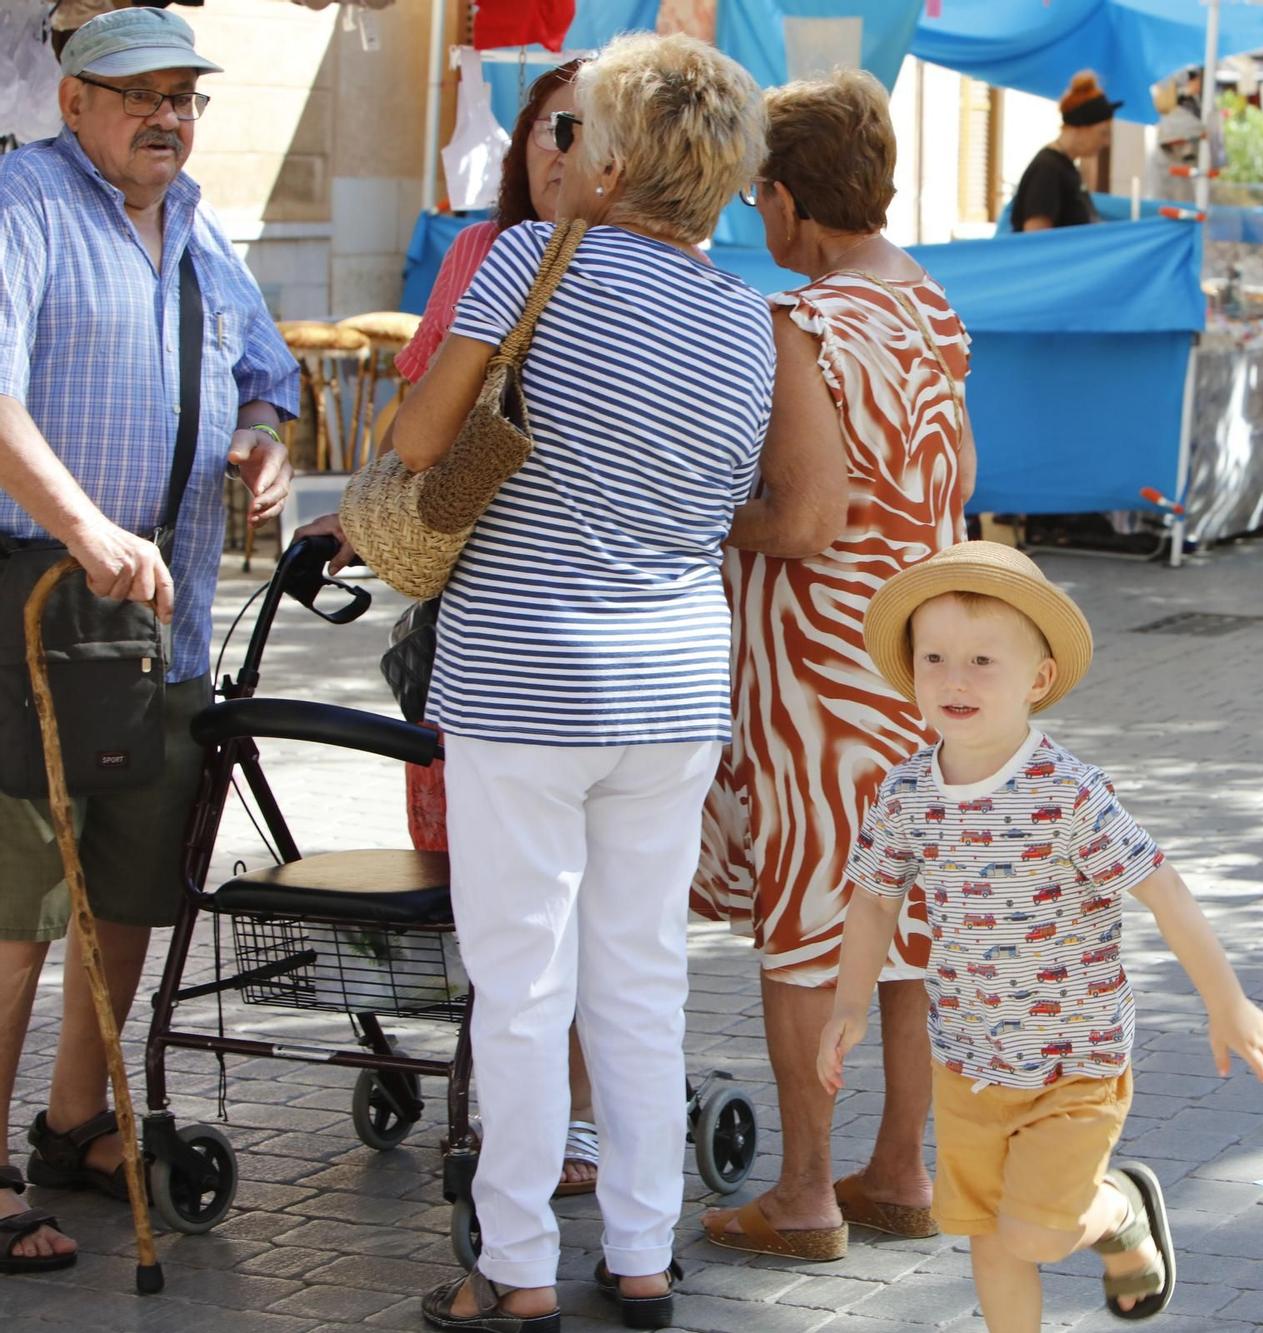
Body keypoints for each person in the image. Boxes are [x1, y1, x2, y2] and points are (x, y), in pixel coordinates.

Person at [334, 32, 775, 1330]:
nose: (564, 150)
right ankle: (641, 1252)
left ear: (620, 156)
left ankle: (516, 1269)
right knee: (640, 976)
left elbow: (421, 440)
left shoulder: (536, 260)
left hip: (527, 671)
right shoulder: (747, 320)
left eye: (581, 131)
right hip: (677, 676)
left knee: (523, 985)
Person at [0, 8, 296, 1275]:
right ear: (73, 104)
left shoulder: (196, 222)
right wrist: (83, 529)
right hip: (43, 601)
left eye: (184, 95)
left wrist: (266, 438)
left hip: (161, 629)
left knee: (127, 889)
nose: (167, 116)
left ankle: (77, 1122)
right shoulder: (24, 200)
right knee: (14, 904)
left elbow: (265, 364)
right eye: (138, 95)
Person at [817, 540, 1263, 1332]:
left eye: (981, 660)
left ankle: (1121, 1209)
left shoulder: (1068, 792)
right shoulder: (905, 791)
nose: (954, 679)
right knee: (991, 1240)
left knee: (1040, 1230)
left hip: (1075, 1057)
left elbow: (1163, 888)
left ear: (1037, 680)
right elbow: (871, 900)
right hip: (967, 1057)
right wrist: (849, 1003)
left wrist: (1227, 1002)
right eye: (934, 657)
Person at [695, 68, 973, 1265]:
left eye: (761, 196)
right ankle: (901, 1168)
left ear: (790, 201)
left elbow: (805, 519)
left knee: (808, 931)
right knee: (908, 928)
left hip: (821, 668)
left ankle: (805, 1190)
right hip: (924, 658)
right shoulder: (932, 305)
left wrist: (709, 519)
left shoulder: (805, 322)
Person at [386, 56, 603, 1204]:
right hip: (472, 612)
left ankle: (571, 1126)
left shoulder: (663, 270)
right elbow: (415, 412)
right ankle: (510, 1104)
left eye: (585, 128)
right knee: (491, 887)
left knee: (584, 904)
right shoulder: (484, 252)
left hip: (586, 640)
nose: (558, 149)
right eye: (544, 128)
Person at [1010, 71, 1118, 233]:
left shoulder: (1066, 167)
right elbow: (1035, 237)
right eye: (1103, 133)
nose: (1106, 142)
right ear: (1081, 129)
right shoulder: (1047, 170)